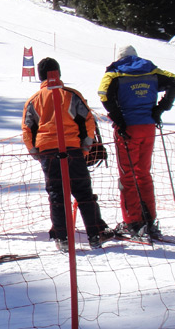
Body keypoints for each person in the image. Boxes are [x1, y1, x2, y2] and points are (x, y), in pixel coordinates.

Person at [22, 57, 111, 251]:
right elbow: (88, 121)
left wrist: (35, 152)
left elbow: (28, 129)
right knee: (84, 193)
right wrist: (86, 146)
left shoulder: (34, 100)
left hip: (47, 152)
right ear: (58, 73)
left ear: (40, 76)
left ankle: (62, 238)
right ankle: (95, 234)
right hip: (73, 150)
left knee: (57, 195)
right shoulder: (71, 94)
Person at [98, 45, 175, 240]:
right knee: (143, 173)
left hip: (128, 129)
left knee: (127, 176)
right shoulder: (151, 69)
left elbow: (103, 94)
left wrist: (118, 119)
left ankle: (133, 222)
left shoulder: (114, 73)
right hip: (148, 127)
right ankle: (149, 220)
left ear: (119, 57)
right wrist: (160, 109)